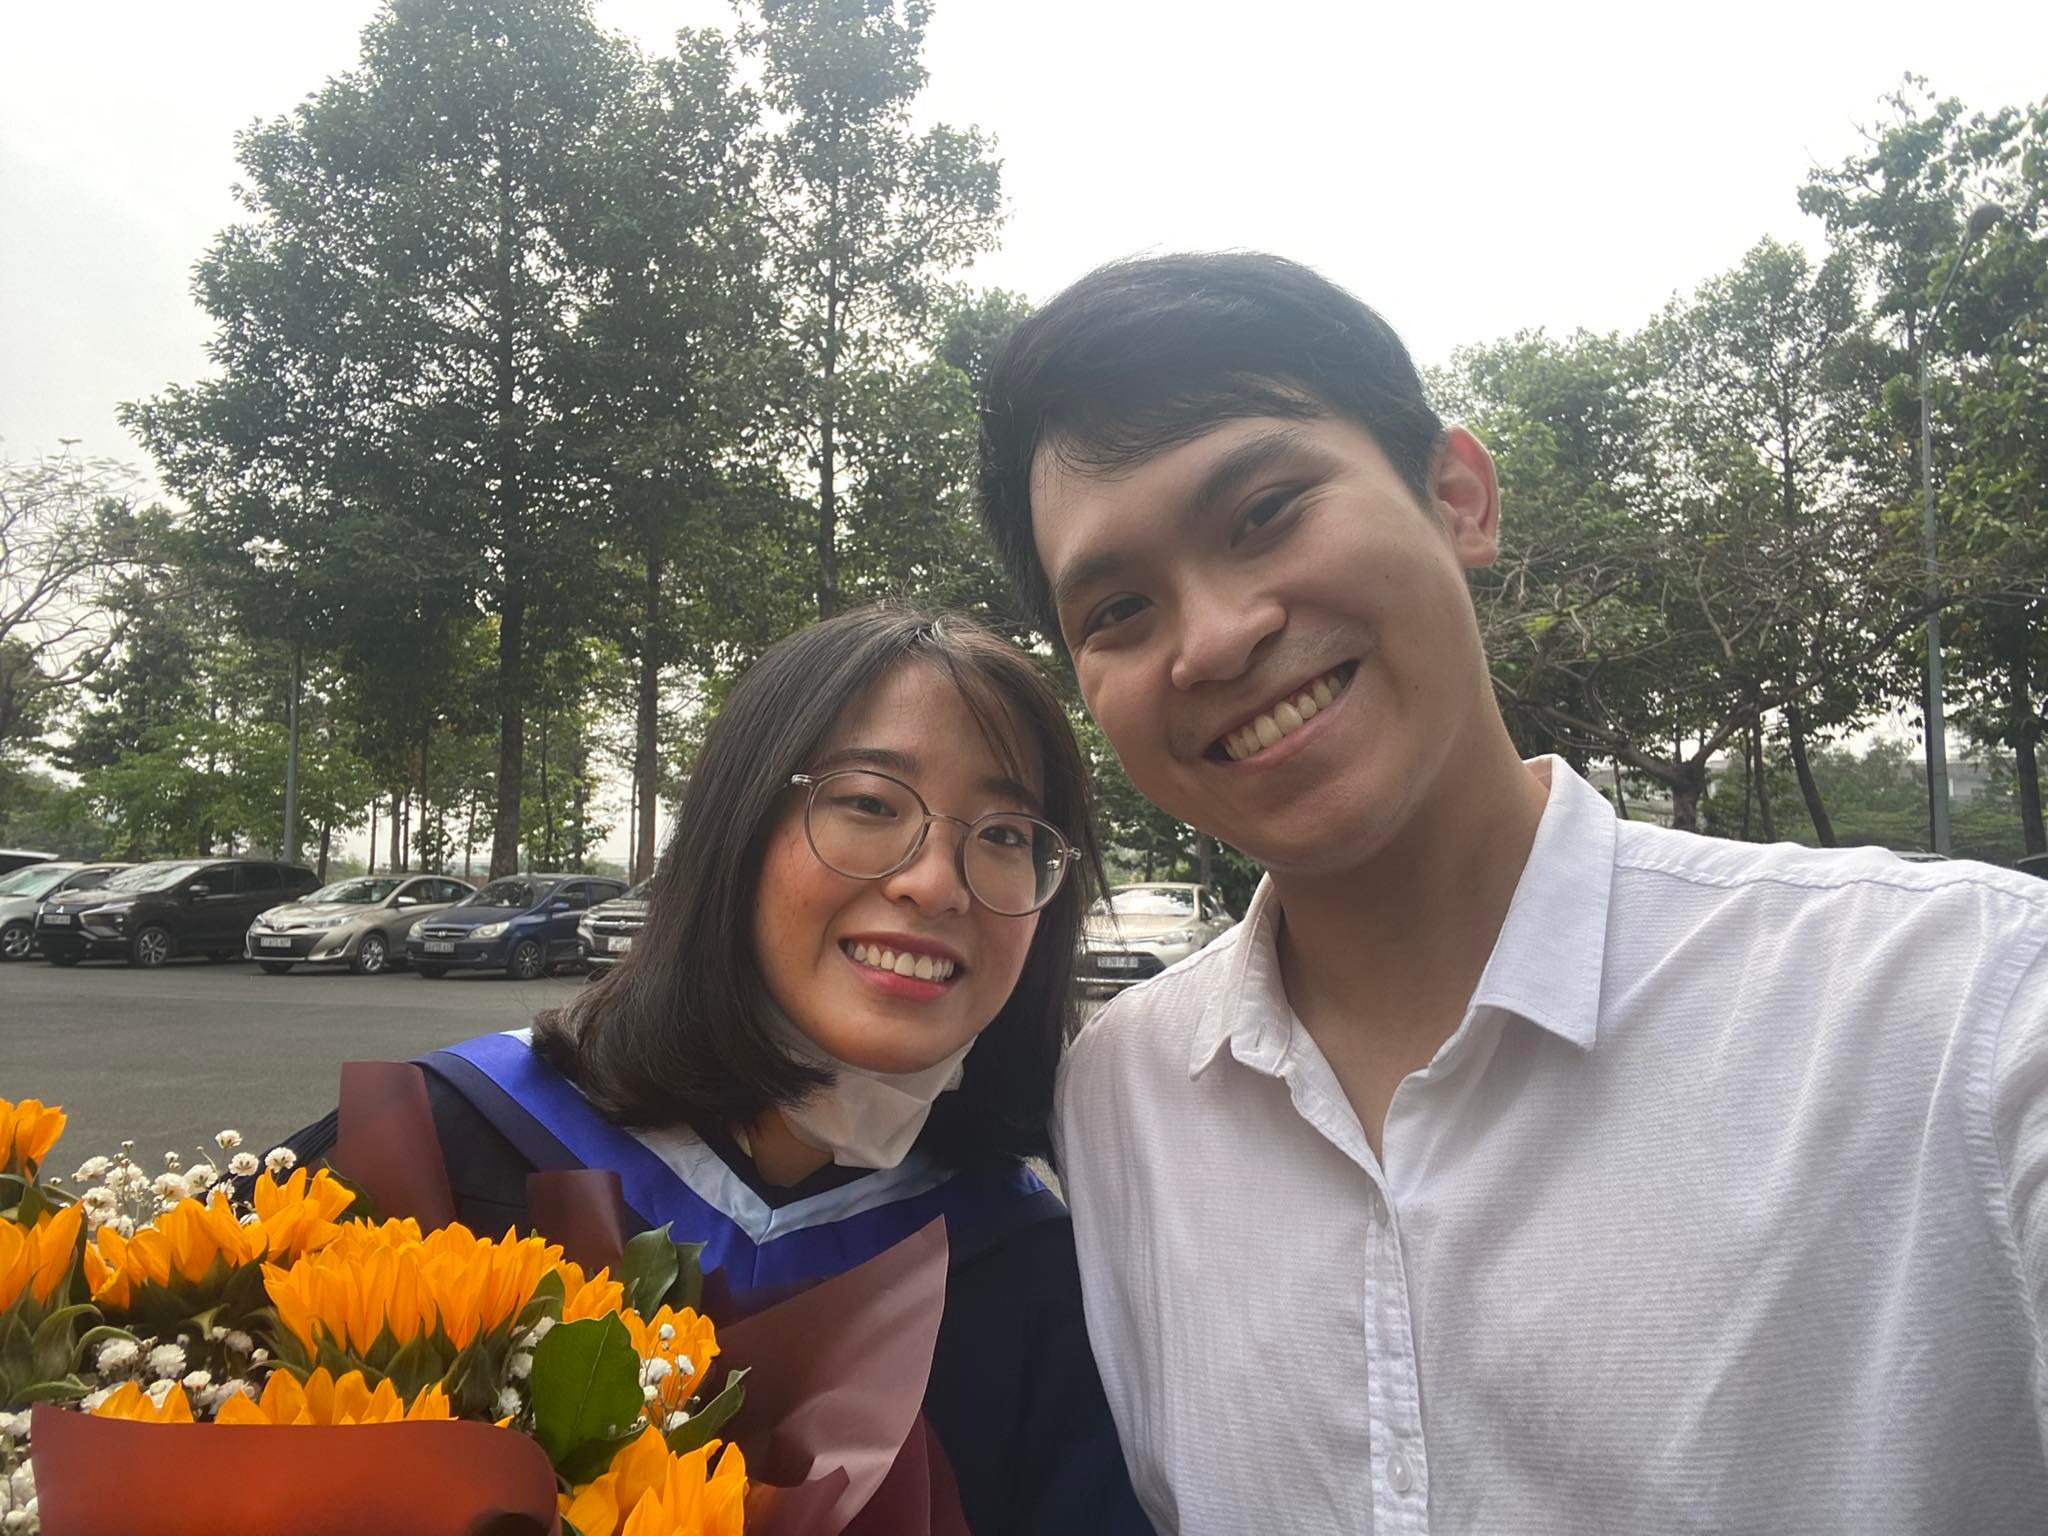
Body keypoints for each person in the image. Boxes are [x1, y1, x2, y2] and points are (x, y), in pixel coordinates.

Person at [975, 251, 2048, 1534]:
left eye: (1262, 512)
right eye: (1118, 608)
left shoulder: (1965, 1020)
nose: (1211, 639)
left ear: (1456, 499)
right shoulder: (1117, 1100)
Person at [280, 604, 1151, 1535]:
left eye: (1009, 834)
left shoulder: (1031, 1279)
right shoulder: (446, 1148)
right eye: (869, 803)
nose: (935, 882)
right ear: (739, 826)